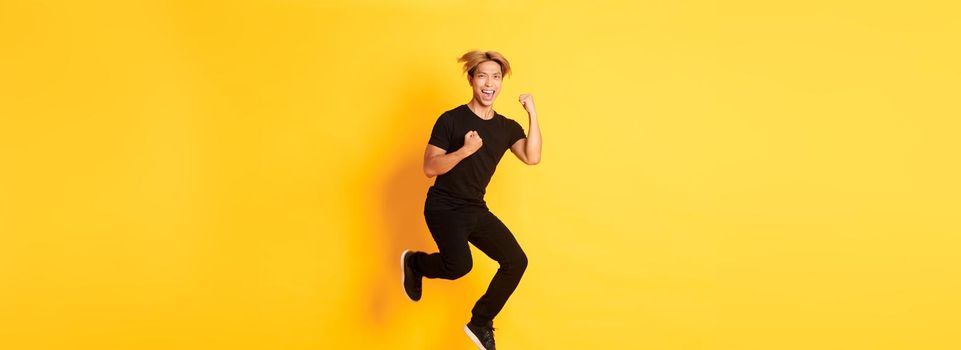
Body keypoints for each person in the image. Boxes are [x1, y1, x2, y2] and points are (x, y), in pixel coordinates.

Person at [400, 50, 542, 350]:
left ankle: (480, 321)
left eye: (496, 77)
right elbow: (429, 167)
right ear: (471, 80)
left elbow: (532, 156)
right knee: (459, 266)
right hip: (443, 206)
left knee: (516, 261)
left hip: (475, 208)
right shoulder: (451, 120)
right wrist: (465, 151)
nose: (489, 84)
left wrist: (532, 113)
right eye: (482, 76)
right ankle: (416, 263)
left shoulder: (507, 127)